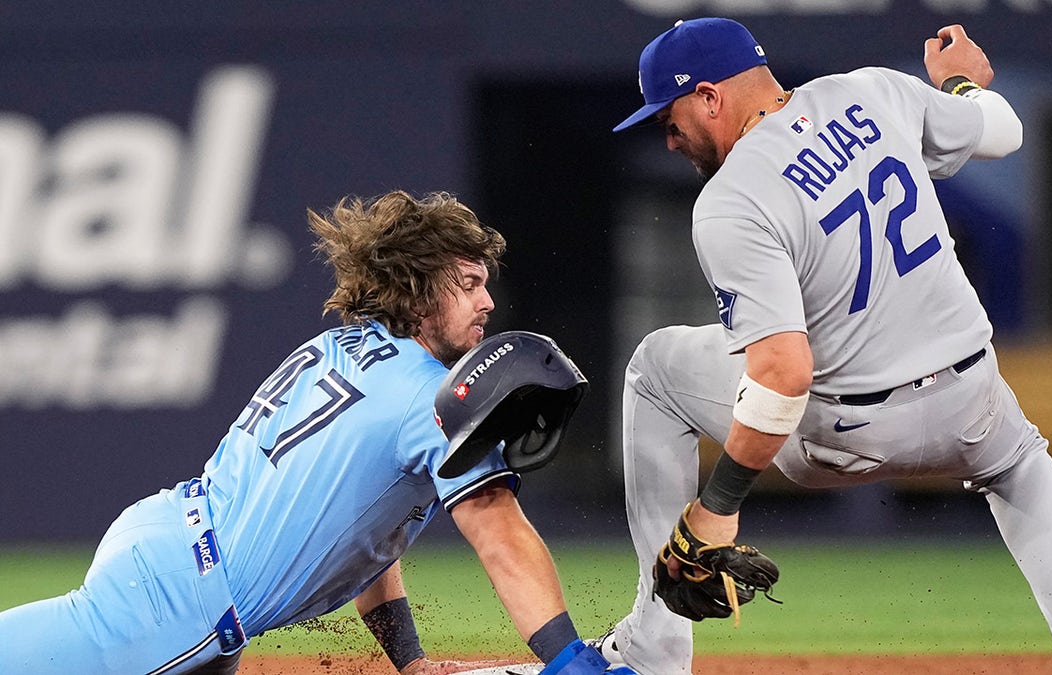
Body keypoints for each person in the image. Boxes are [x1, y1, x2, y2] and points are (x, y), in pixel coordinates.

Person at [598, 17, 1052, 675]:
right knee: (1020, 458)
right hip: (970, 399)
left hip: (845, 433)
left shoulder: (731, 200)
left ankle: (655, 650)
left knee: (656, 369)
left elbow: (783, 373)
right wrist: (961, 86)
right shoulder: (873, 92)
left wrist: (717, 508)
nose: (668, 135)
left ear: (710, 96)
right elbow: (1004, 131)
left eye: (670, 115)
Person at [0, 189, 633, 675]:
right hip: (175, 607)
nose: (487, 302)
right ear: (417, 296)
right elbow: (498, 530)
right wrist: (566, 658)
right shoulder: (429, 401)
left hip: (168, 548)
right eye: (468, 285)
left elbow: (371, 531)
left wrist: (409, 661)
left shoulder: (342, 346)